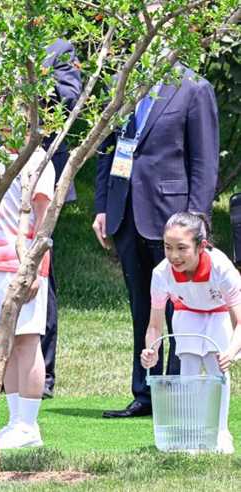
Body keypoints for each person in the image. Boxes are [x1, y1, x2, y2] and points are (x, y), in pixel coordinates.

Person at [0, 40, 81, 398]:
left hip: (27, 182)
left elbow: (69, 103)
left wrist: (32, 73)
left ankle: (41, 382)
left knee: (32, 302)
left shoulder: (55, 48)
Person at [94, 66, 219, 419]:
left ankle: (178, 391)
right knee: (141, 307)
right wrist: (103, 205)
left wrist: (195, 222)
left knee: (179, 309)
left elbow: (204, 162)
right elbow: (108, 149)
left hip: (172, 217)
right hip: (126, 212)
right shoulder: (123, 79)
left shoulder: (194, 87)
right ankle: (145, 392)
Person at [141, 212, 241, 453]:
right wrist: (150, 350)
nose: (174, 256)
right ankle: (192, 433)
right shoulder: (161, 273)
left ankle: (220, 433)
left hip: (219, 312)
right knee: (189, 368)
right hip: (186, 311)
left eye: (182, 248)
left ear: (201, 246)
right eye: (168, 247)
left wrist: (231, 350)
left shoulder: (221, 268)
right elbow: (155, 325)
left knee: (217, 368)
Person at [0, 143, 55, 449]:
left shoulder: (39, 161)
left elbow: (44, 221)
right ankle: (14, 422)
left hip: (22, 263)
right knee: (3, 342)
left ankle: (29, 425)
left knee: (27, 340)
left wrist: (35, 267)